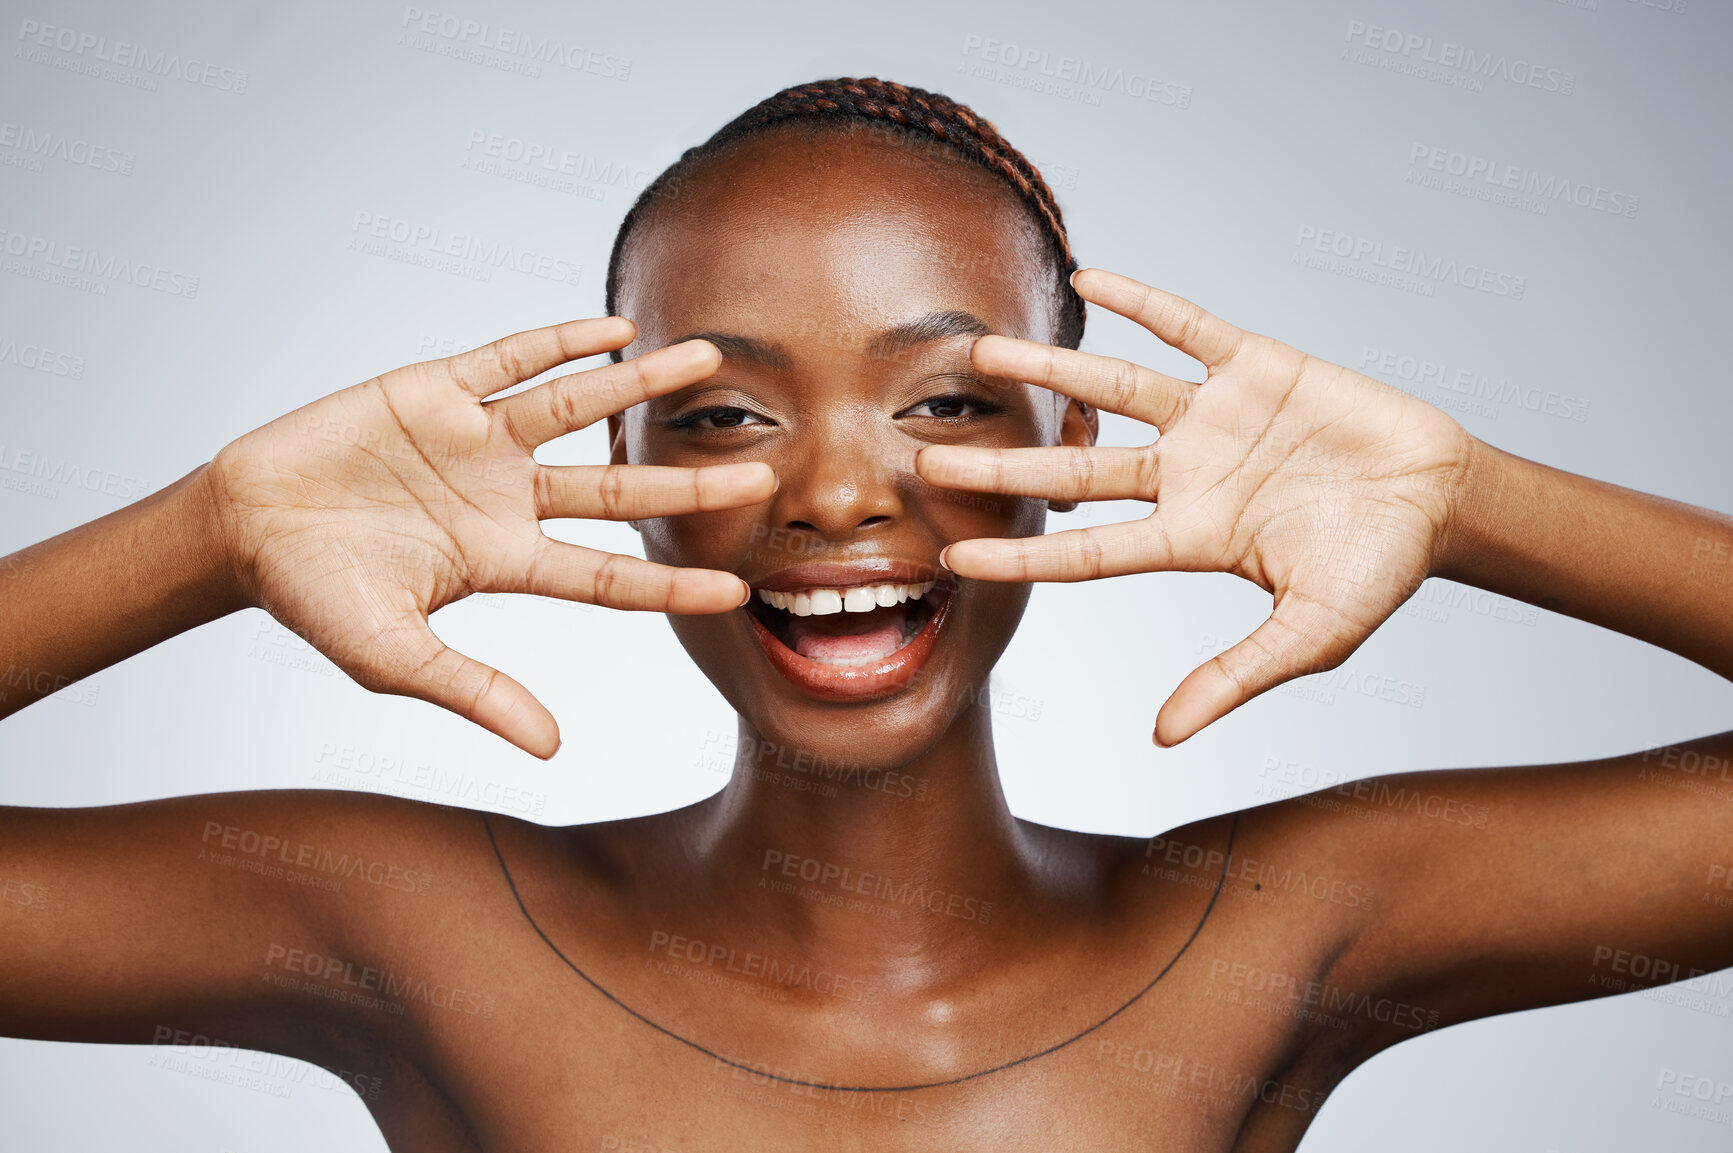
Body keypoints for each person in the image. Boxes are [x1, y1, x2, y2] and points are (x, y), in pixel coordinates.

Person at [2, 76, 1729, 1152]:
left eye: (948, 401)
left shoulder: (1276, 932)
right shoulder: (426, 929)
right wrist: (209, 535)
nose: (834, 495)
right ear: (615, 456)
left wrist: (1465, 500)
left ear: (1076, 445)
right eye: (727, 413)